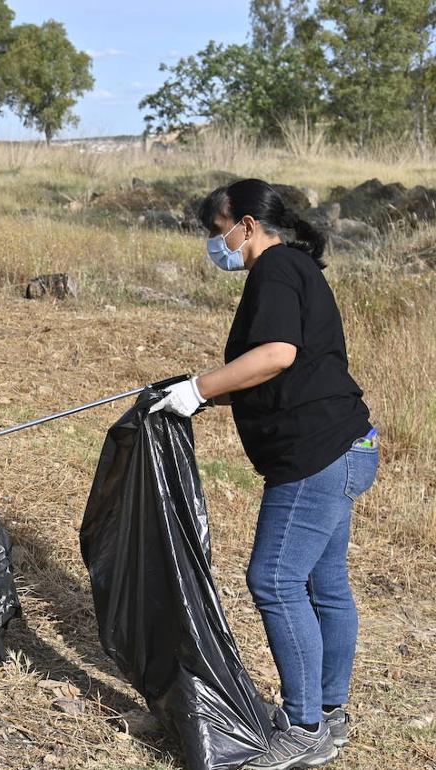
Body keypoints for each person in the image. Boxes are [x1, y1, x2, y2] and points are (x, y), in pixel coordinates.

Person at [152, 179, 377, 770]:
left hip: (316, 456)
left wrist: (200, 387)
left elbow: (276, 354)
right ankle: (330, 713)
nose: (215, 243)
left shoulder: (275, 269)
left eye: (217, 229)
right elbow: (278, 373)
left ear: (247, 225)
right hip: (349, 444)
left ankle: (303, 728)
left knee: (274, 581)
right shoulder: (299, 268)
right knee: (324, 585)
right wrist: (196, 395)